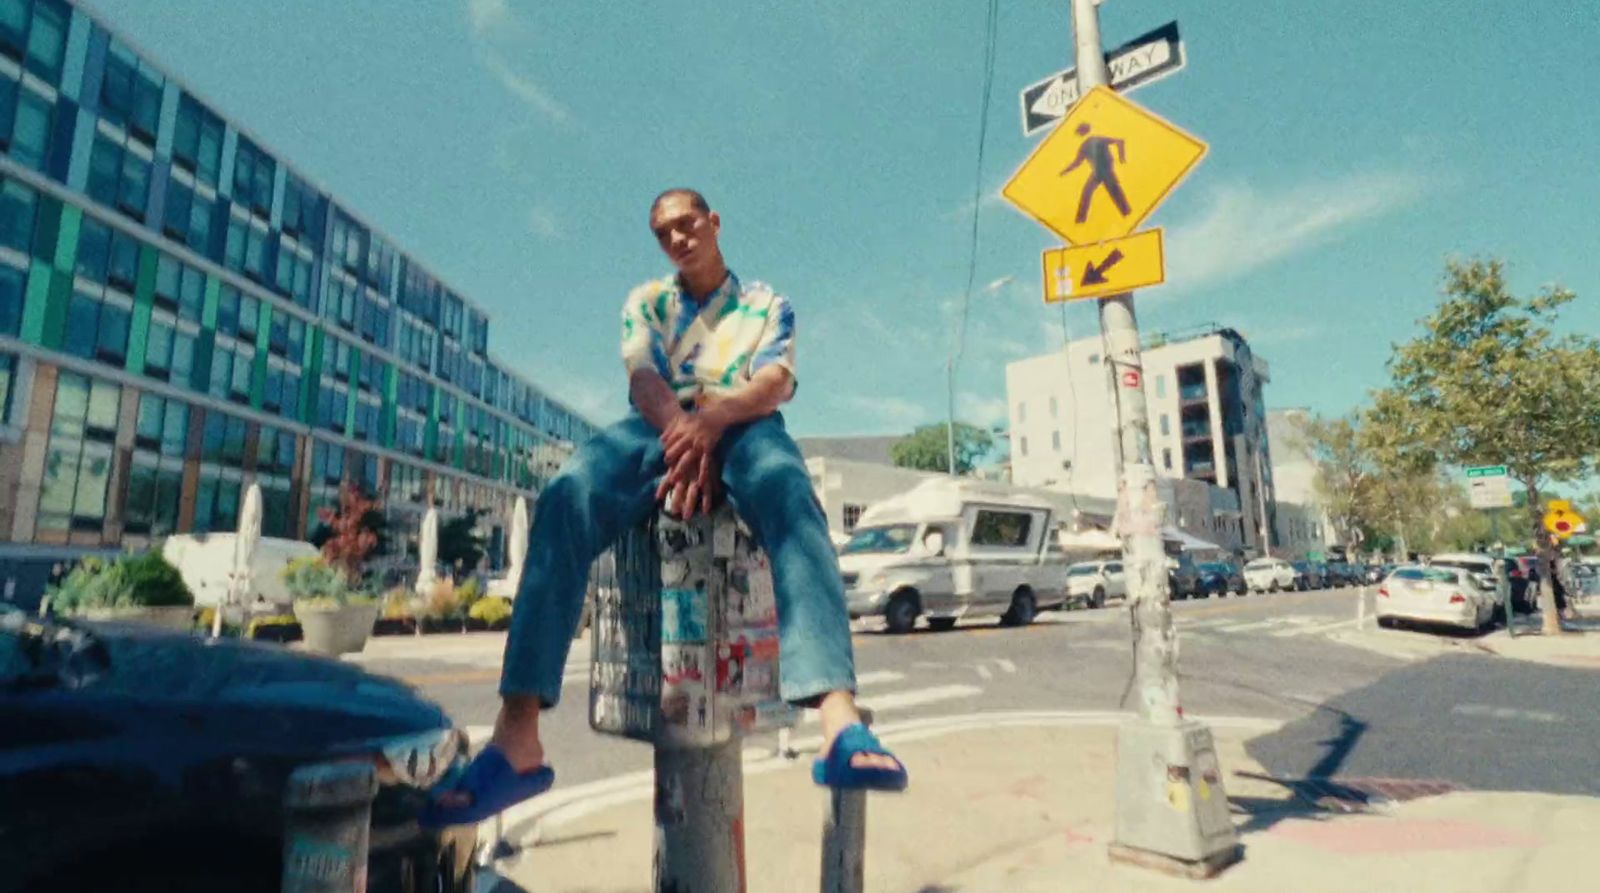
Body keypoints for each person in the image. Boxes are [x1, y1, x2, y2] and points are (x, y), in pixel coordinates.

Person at [422, 188, 908, 827]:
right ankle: (517, 738)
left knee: (792, 498)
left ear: (713, 222)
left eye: (687, 224)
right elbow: (643, 375)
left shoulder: (767, 303)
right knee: (566, 497)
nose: (677, 238)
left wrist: (714, 422)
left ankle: (839, 718)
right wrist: (684, 430)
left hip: (744, 422)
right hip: (658, 423)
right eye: (663, 232)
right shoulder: (646, 301)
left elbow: (774, 381)